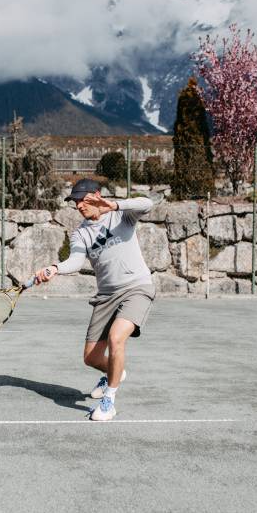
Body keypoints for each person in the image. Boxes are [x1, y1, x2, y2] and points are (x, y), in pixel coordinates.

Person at [35, 178, 156, 421]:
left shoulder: (122, 216)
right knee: (90, 357)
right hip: (105, 297)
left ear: (97, 195)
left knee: (116, 338)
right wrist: (55, 268)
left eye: (83, 199)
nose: (79, 205)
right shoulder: (80, 233)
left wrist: (113, 205)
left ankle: (108, 401)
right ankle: (114, 372)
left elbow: (148, 203)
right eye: (76, 201)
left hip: (136, 288)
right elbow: (76, 261)